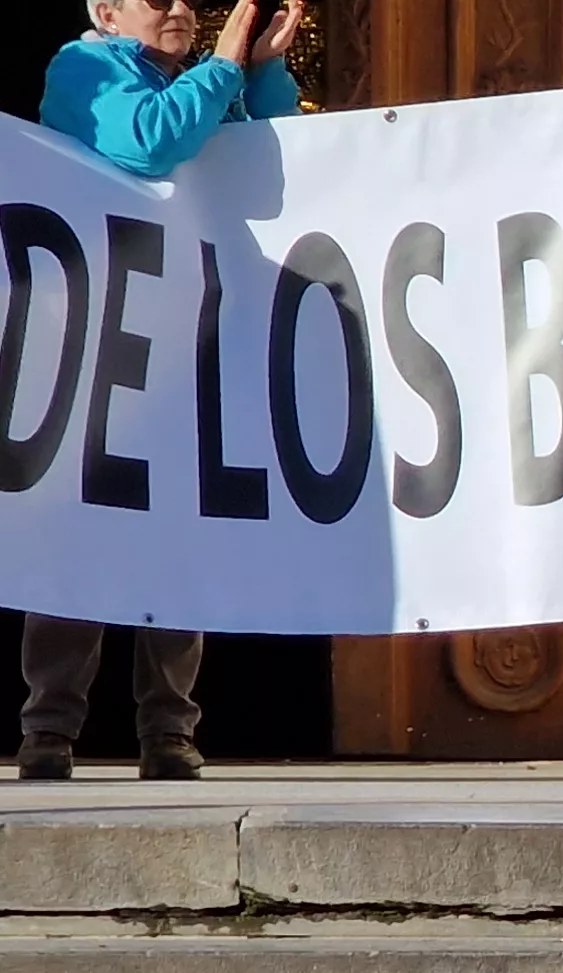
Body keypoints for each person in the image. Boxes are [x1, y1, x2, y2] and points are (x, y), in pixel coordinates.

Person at [17, 0, 299, 782]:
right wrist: (222, 67)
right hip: (99, 339)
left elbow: (276, 160)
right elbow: (147, 143)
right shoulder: (85, 67)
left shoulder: (200, 80)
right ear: (106, 11)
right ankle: (49, 729)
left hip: (193, 333)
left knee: (181, 529)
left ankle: (169, 730)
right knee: (80, 532)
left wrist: (264, 70)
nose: (179, 9)